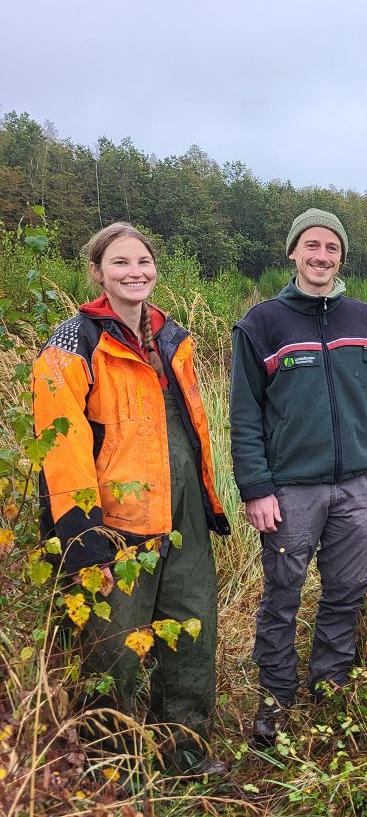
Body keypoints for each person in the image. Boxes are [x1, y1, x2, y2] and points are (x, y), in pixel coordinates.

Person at [33, 222, 230, 776]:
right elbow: (62, 447)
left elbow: (193, 430)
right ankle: (107, 767)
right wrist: (81, 533)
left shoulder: (175, 338)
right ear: (98, 272)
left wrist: (210, 503)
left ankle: (184, 750)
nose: (134, 272)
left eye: (143, 261)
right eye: (120, 263)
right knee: (112, 647)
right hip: (114, 524)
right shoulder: (72, 342)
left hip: (185, 513)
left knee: (192, 632)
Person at [230, 208, 367, 745]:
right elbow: (244, 415)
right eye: (312, 246)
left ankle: (330, 689)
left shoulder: (365, 320)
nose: (322, 256)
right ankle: (275, 702)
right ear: (293, 253)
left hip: (358, 486)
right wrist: (256, 488)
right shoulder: (261, 324)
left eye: (331, 248)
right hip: (291, 490)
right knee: (283, 595)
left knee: (346, 591)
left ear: (341, 256)